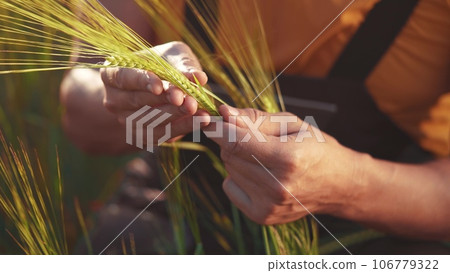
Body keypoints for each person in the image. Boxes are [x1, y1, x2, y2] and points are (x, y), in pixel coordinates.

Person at [60, 0, 450, 254]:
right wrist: (131, 95)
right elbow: (79, 109)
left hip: (380, 230)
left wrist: (351, 186)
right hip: (169, 205)